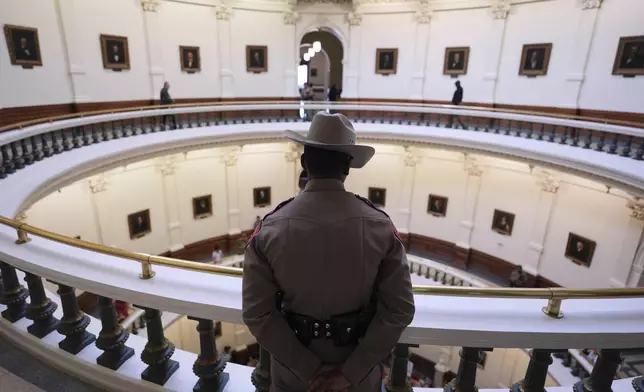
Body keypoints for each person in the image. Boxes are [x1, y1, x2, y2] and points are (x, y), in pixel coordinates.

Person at [242, 112, 415, 392]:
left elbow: (257, 314)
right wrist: (350, 372)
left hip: (294, 380)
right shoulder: (380, 228)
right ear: (348, 168)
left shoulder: (270, 229)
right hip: (356, 382)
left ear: (303, 162)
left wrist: (308, 370)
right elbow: (400, 310)